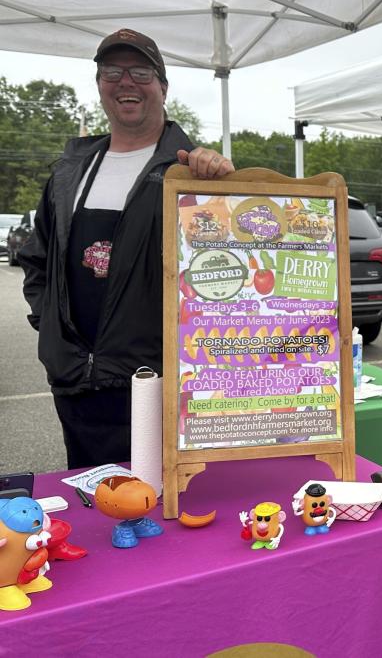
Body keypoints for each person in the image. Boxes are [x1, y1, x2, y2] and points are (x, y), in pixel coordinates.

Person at [19, 29, 235, 470]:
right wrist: (53, 331)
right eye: (112, 72)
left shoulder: (191, 173)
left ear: (163, 87)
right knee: (96, 513)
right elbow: (37, 259)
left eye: (141, 72)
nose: (126, 83)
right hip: (77, 384)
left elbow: (226, 274)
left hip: (158, 387)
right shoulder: (69, 171)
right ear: (100, 84)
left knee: (165, 518)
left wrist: (225, 185)